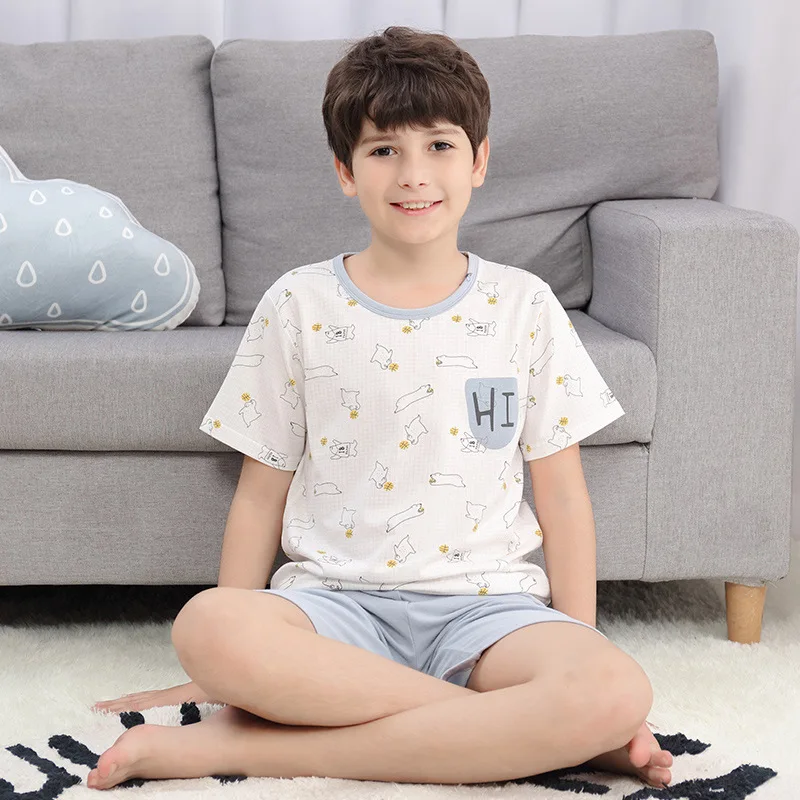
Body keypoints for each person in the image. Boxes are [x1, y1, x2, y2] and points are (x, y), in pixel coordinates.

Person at [87, 25, 673, 791]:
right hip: (333, 611)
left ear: (479, 160)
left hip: (492, 614)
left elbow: (563, 497)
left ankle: (243, 750)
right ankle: (529, 732)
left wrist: (577, 645)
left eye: (439, 145)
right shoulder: (298, 302)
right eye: (384, 149)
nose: (413, 174)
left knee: (615, 685)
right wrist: (230, 678)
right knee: (209, 625)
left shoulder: (524, 306)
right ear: (345, 170)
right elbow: (259, 496)